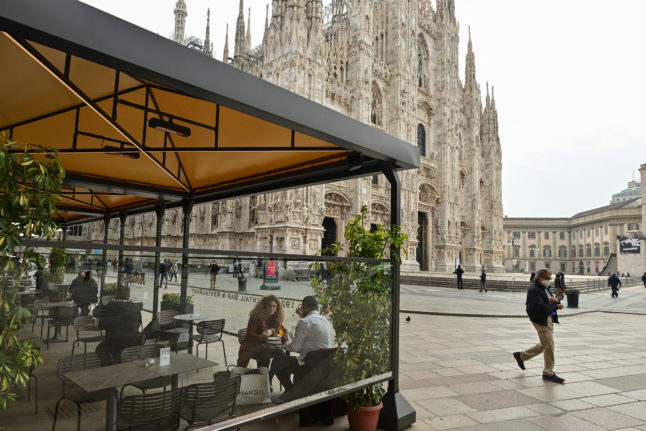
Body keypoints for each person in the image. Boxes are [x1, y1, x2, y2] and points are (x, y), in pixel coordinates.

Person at [270, 296, 331, 398]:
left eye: (302, 307)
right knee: (285, 361)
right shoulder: (324, 320)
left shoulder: (304, 322)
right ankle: (292, 391)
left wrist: (285, 342)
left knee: (277, 363)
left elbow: (294, 348)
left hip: (307, 364)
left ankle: (291, 391)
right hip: (322, 363)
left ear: (306, 307)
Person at [513, 269, 565, 384]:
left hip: (548, 318)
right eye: (548, 278)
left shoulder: (543, 287)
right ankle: (548, 372)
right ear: (540, 277)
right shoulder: (534, 289)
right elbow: (541, 307)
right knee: (549, 345)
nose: (549, 280)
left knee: (544, 344)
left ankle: (521, 356)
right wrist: (556, 307)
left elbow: (545, 300)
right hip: (540, 319)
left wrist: (553, 300)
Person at [237, 294, 288, 370]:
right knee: (277, 352)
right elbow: (250, 334)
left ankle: (265, 374)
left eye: (274, 306)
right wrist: (260, 337)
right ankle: (265, 374)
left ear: (277, 308)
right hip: (253, 345)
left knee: (277, 353)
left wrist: (282, 335)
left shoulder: (276, 318)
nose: (272, 308)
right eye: (269, 306)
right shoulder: (255, 317)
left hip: (267, 346)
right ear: (264, 306)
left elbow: (280, 330)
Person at [94, 285, 142, 363]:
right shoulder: (136, 308)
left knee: (99, 349)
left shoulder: (110, 306)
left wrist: (102, 303)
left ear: (116, 296)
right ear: (129, 296)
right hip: (133, 342)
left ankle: (110, 365)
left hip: (114, 343)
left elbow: (100, 324)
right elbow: (139, 324)